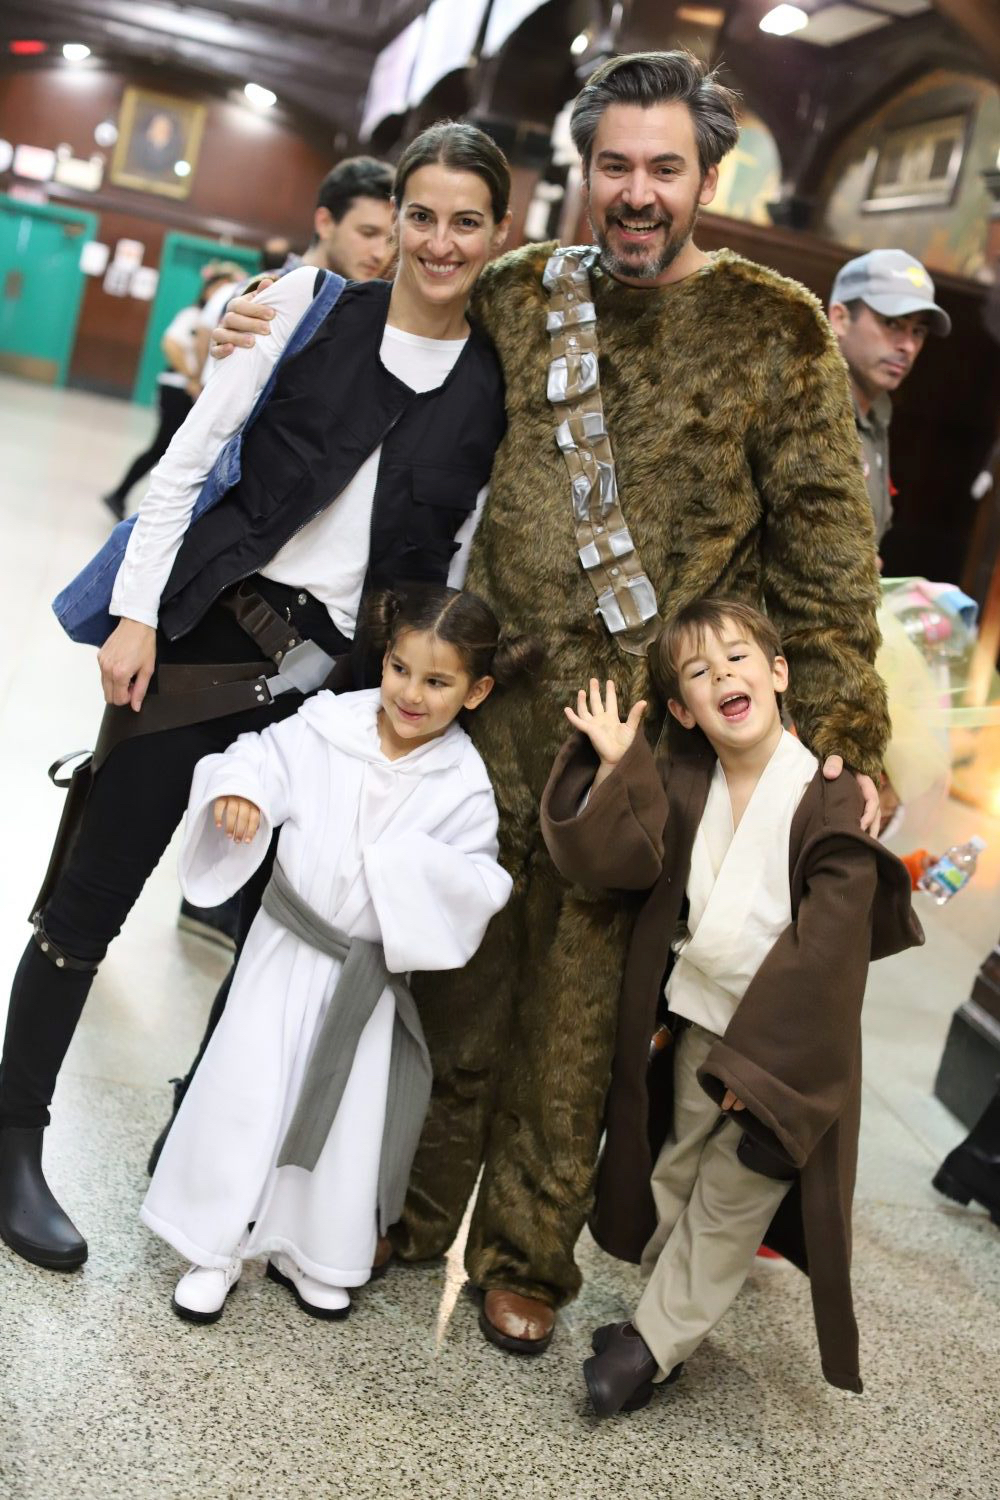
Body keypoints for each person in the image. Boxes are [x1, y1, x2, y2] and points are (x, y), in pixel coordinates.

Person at [209, 51, 891, 1356]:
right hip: (485, 715)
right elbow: (386, 327)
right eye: (617, 167)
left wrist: (847, 741)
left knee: (583, 1020)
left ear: (708, 175)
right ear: (587, 173)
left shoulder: (778, 330)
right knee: (446, 973)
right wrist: (259, 309)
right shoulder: (525, 295)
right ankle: (405, 1207)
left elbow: (824, 555)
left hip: (638, 751)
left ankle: (528, 1256)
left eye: (664, 169)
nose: (637, 194)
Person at [0, 121, 512, 1274]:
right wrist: (135, 615)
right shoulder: (302, 310)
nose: (436, 240)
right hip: (202, 637)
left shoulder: (491, 386)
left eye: (463, 220)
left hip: (333, 692)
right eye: (419, 215)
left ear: (498, 234)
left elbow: (458, 557)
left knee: (279, 933)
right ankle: (13, 1139)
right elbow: (189, 460)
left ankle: (204, 1151)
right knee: (91, 896)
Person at [540, 598, 922, 1414]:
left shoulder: (827, 795)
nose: (725, 678)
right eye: (700, 673)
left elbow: (827, 950)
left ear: (779, 673)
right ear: (682, 708)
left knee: (731, 1196)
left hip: (787, 1049)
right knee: (671, 1173)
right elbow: (625, 857)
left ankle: (652, 1348)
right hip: (695, 1025)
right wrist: (616, 767)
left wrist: (767, 1066)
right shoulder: (689, 784)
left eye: (741, 659)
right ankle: (657, 1318)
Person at [144, 586, 525, 1324]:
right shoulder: (326, 725)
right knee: (251, 1095)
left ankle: (310, 1248)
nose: (410, 694)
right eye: (399, 669)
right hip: (286, 952)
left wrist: (401, 870)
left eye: (437, 681)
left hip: (365, 978)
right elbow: (257, 757)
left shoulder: (464, 784)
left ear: (476, 691)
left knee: (343, 1118)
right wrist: (242, 792)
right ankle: (213, 1247)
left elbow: (481, 881)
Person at [828, 248, 951, 556]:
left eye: (918, 331)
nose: (908, 345)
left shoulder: (877, 412)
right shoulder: (803, 406)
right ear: (840, 319)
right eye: (893, 323)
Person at [100, 264, 240, 522]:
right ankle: (120, 495)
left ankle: (125, 497)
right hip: (178, 388)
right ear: (209, 291)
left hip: (192, 390)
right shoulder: (193, 315)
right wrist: (192, 377)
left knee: (171, 450)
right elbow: (170, 344)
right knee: (163, 448)